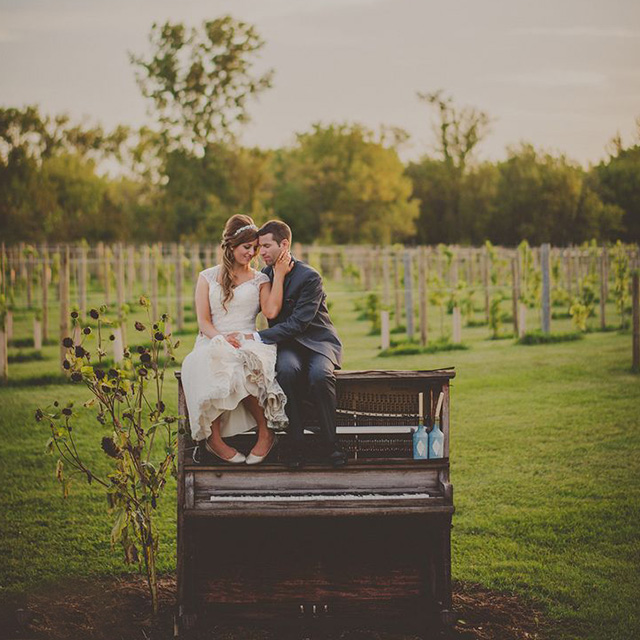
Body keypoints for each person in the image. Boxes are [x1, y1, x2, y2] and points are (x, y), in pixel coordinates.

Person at [232, 220, 345, 469]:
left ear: (285, 244)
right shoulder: (266, 277)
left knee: (319, 375)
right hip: (288, 346)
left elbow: (299, 324)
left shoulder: (310, 277)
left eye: (266, 246)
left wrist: (257, 337)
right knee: (285, 372)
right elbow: (271, 313)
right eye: (259, 247)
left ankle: (330, 446)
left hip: (317, 342)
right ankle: (296, 446)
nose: (261, 253)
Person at [181, 214, 292, 465]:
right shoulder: (206, 277)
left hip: (247, 338)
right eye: (246, 247)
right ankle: (214, 440)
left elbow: (272, 311)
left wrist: (280, 275)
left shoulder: (261, 279)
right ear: (231, 245)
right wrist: (221, 338)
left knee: (245, 366)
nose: (252, 253)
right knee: (211, 362)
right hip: (212, 338)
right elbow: (203, 322)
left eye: (255, 247)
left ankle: (266, 433)